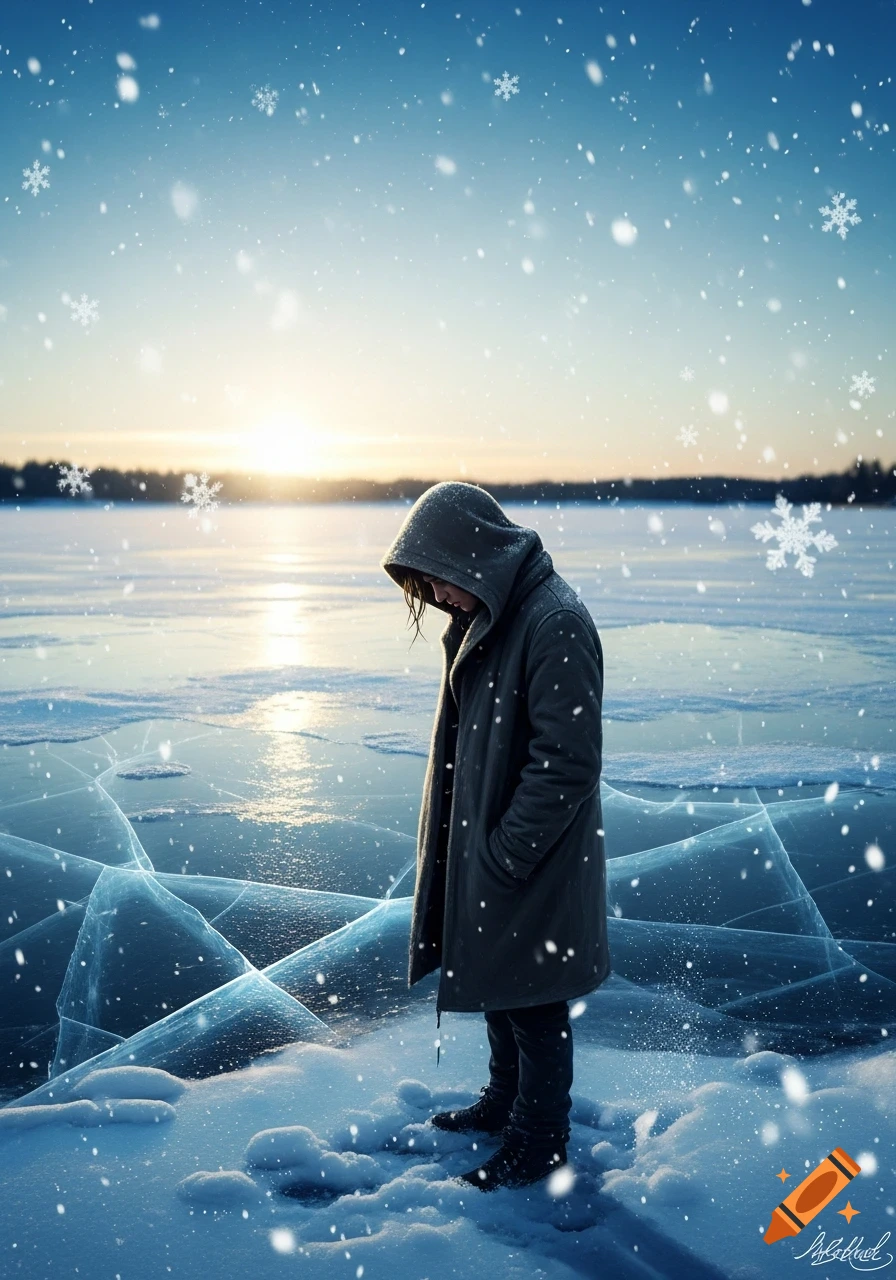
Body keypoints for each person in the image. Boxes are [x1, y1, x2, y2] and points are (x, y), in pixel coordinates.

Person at [381, 480, 610, 1192]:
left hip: (532, 861)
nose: (442, 599)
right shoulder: (500, 613)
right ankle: (504, 1101)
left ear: (472, 554)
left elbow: (567, 761)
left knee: (534, 1001)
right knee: (502, 985)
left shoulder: (553, 621)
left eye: (440, 583)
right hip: (499, 855)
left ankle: (541, 1139)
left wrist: (507, 851)